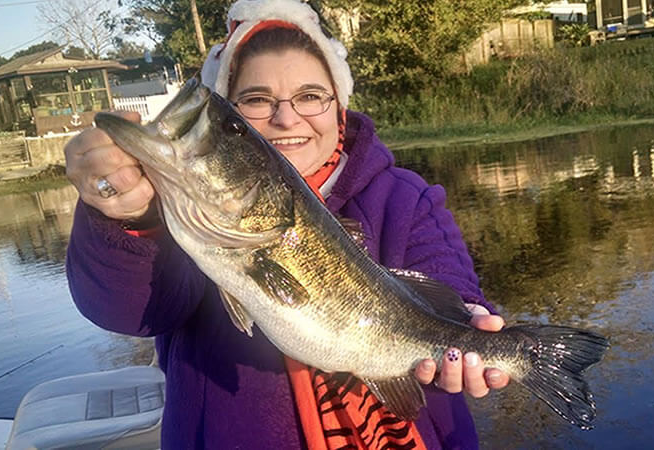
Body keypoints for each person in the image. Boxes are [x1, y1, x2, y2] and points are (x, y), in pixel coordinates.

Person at [64, 0, 509, 448]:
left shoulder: (405, 196)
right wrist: (128, 216)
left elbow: (446, 281)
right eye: (255, 101)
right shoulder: (177, 214)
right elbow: (127, 311)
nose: (287, 117)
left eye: (311, 95)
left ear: (339, 105)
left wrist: (469, 320)